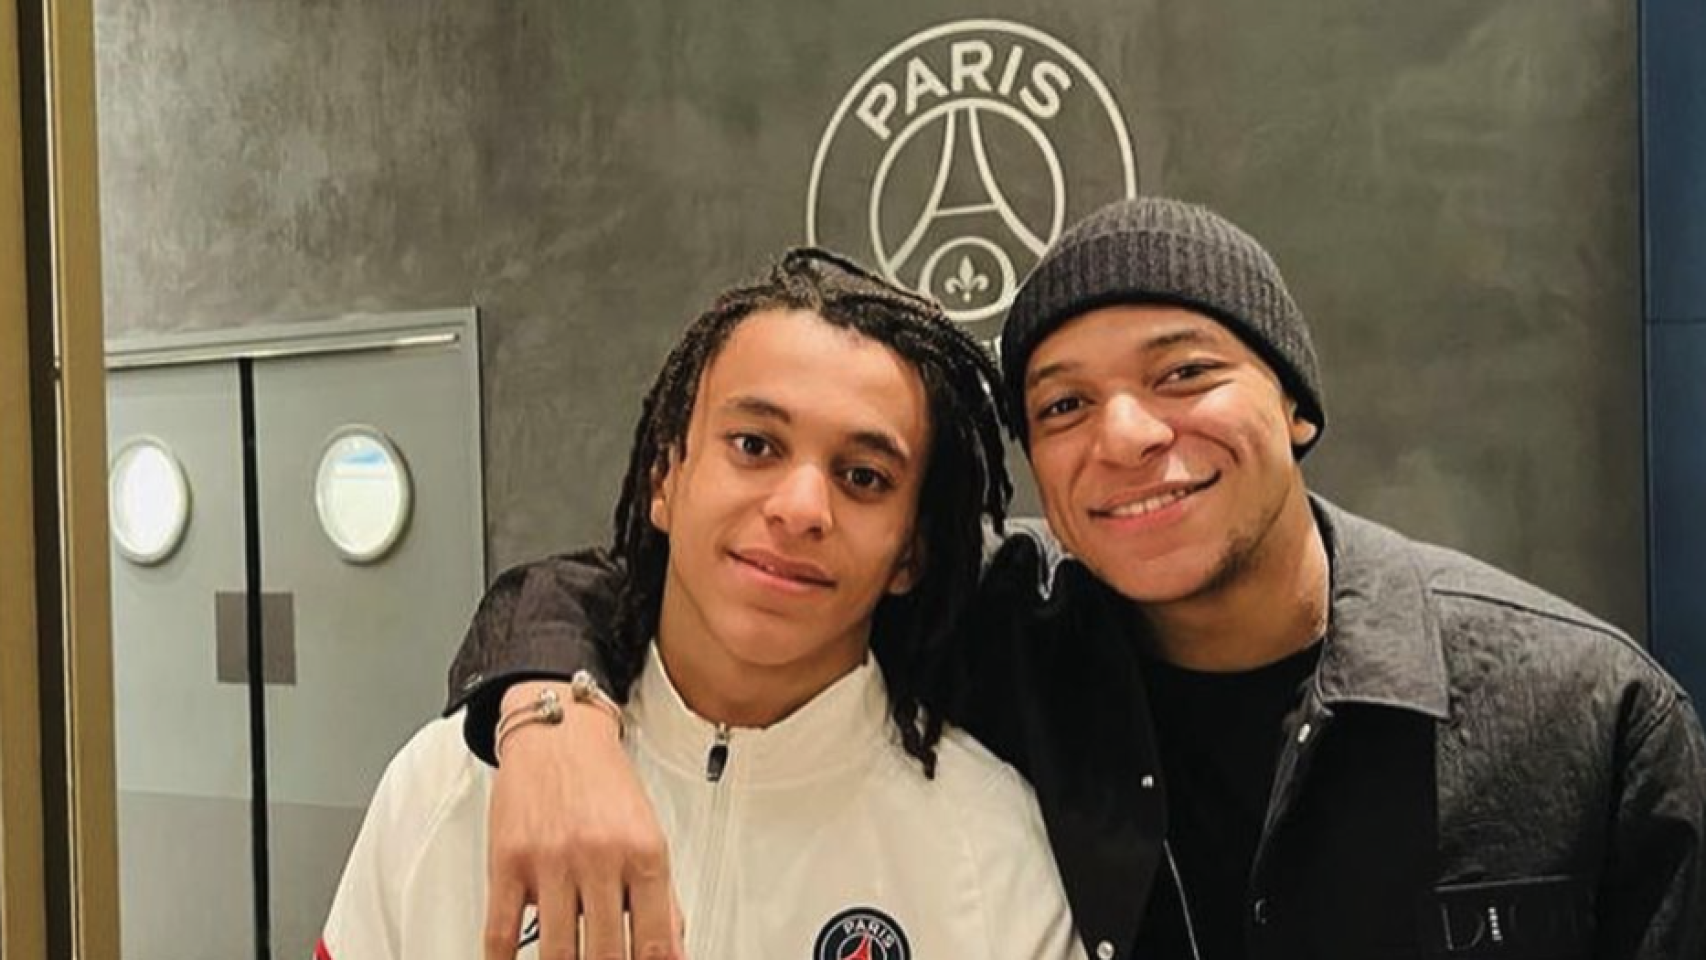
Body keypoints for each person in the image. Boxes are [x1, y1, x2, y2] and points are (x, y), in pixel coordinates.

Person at [451, 199, 1706, 959]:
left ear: (1295, 405)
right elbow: (678, 575)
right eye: (1060, 404)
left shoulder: (1582, 713)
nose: (1127, 436)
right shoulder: (999, 629)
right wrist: (552, 714)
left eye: (1182, 372)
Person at [317, 249, 1085, 960]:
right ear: (665, 478)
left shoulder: (991, 848)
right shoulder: (452, 783)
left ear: (910, 551)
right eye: (755, 445)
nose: (800, 508)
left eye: (863, 477)